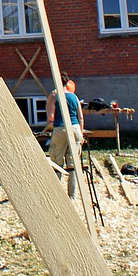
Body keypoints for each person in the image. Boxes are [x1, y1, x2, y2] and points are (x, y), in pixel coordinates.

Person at [47, 71, 84, 199]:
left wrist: (49, 121)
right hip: (75, 129)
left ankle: (57, 196)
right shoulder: (74, 97)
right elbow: (80, 117)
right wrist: (81, 134)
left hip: (61, 129)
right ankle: (72, 196)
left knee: (57, 161)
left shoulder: (54, 96)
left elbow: (51, 117)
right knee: (73, 164)